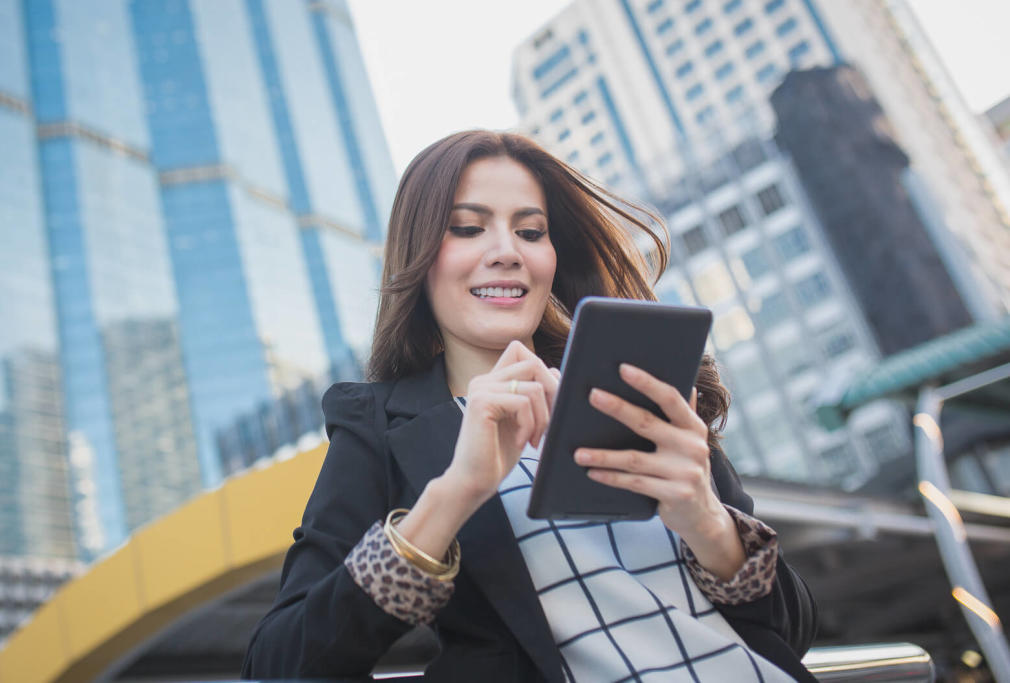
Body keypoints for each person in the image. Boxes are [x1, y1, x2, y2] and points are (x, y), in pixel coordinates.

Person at [242, 130, 818, 682]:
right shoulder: (380, 426)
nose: (506, 252)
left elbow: (790, 632)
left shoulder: (638, 386)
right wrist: (453, 495)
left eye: (531, 231)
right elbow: (279, 666)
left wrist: (708, 522)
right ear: (420, 259)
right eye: (467, 228)